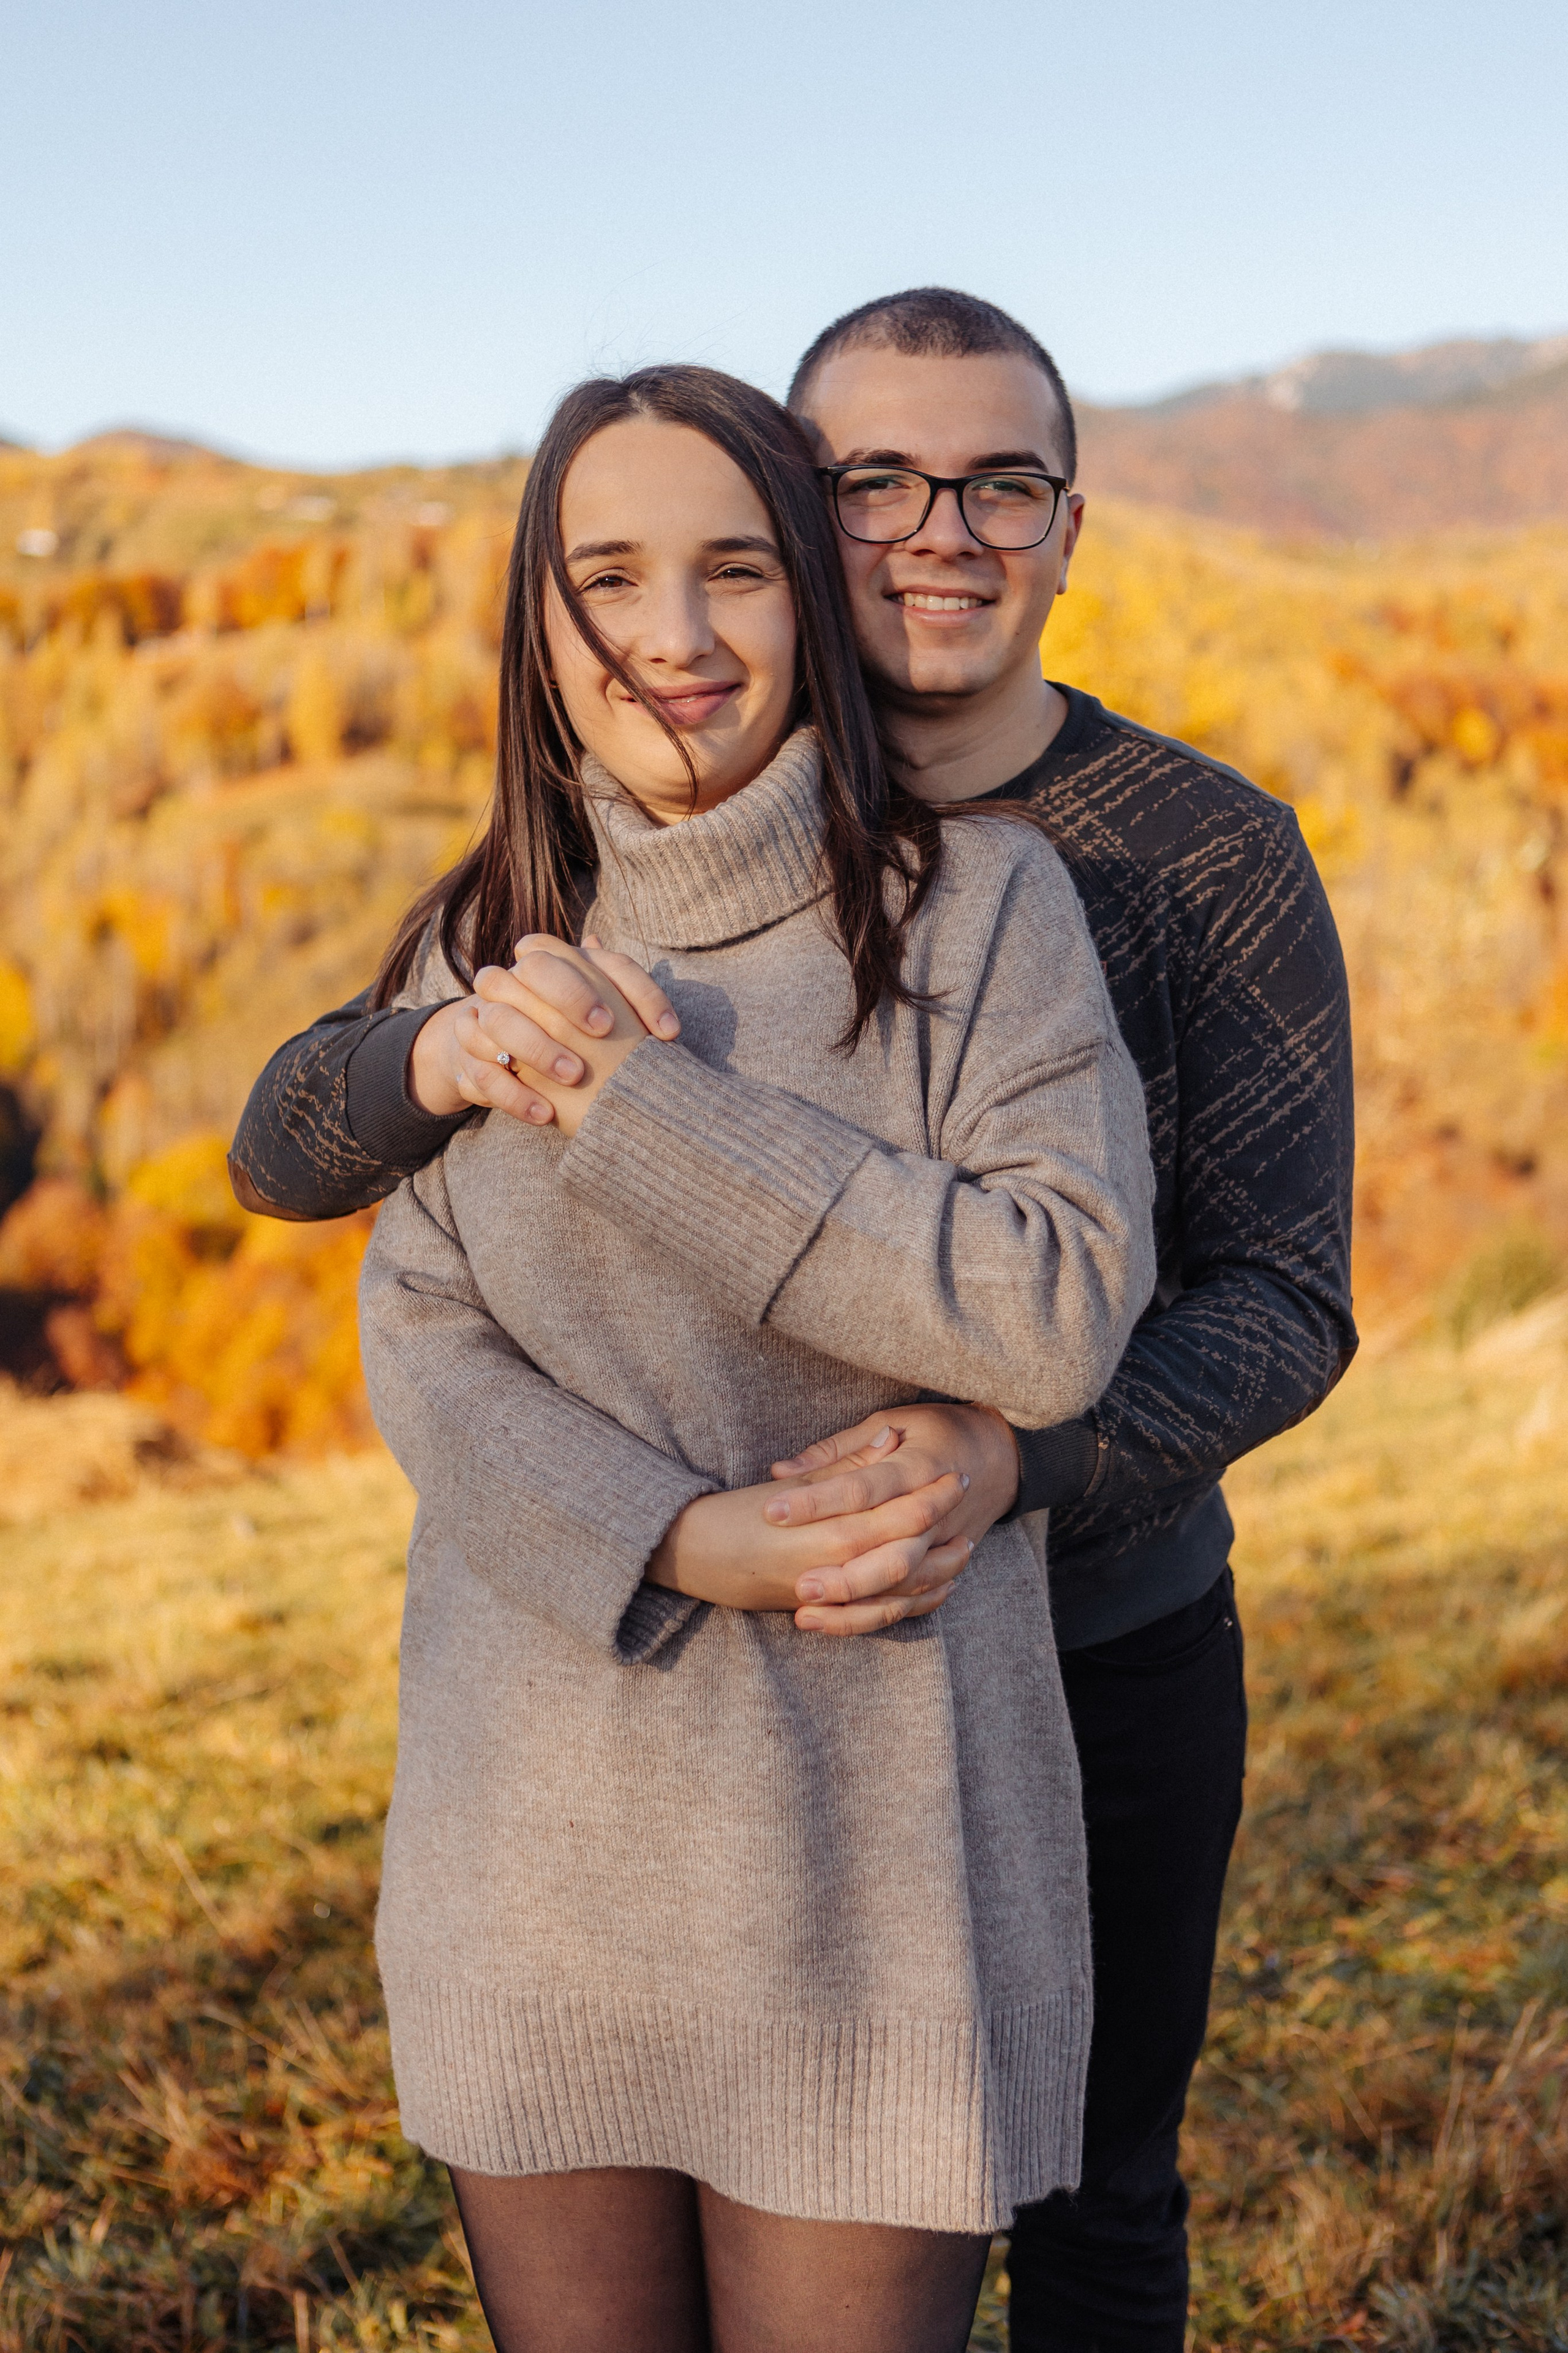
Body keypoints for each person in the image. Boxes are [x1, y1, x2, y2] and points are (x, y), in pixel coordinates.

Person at [231, 290, 1357, 2352]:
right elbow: (343, 1201)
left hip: (1040, 1662)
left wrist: (1018, 1450)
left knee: (1100, 2203)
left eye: (998, 481)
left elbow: (1247, 1298)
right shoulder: (502, 920)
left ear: (1065, 522)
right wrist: (671, 1528)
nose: (942, 527)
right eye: (880, 484)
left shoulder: (1141, 864)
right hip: (570, 1780)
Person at [352, 361, 1155, 2353]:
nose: (676, 638)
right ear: (541, 625)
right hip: (528, 1839)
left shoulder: (986, 913)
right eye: (607, 578)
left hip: (875, 1857)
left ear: (812, 590)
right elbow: (421, 1338)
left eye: (734, 572)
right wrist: (686, 1539)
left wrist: (648, 1113)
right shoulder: (476, 941)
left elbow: (1053, 1304)